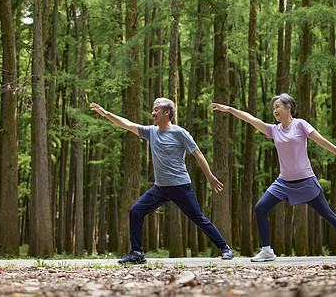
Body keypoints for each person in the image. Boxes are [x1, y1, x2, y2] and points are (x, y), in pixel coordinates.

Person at [212, 93, 336, 262]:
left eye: (277, 106)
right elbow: (250, 119)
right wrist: (229, 109)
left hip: (306, 181)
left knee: (327, 214)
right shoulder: (273, 130)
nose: (274, 110)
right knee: (260, 208)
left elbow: (322, 142)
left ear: (288, 107)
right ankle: (267, 251)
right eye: (273, 108)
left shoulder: (300, 125)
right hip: (283, 182)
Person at [90, 98, 233, 264]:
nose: (153, 113)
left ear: (167, 112)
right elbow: (127, 124)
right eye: (153, 109)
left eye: (156, 109)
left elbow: (198, 153)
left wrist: (210, 176)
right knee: (135, 212)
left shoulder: (180, 133)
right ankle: (136, 253)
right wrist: (106, 113)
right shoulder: (151, 131)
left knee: (199, 219)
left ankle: (225, 248)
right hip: (160, 189)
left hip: (180, 187)